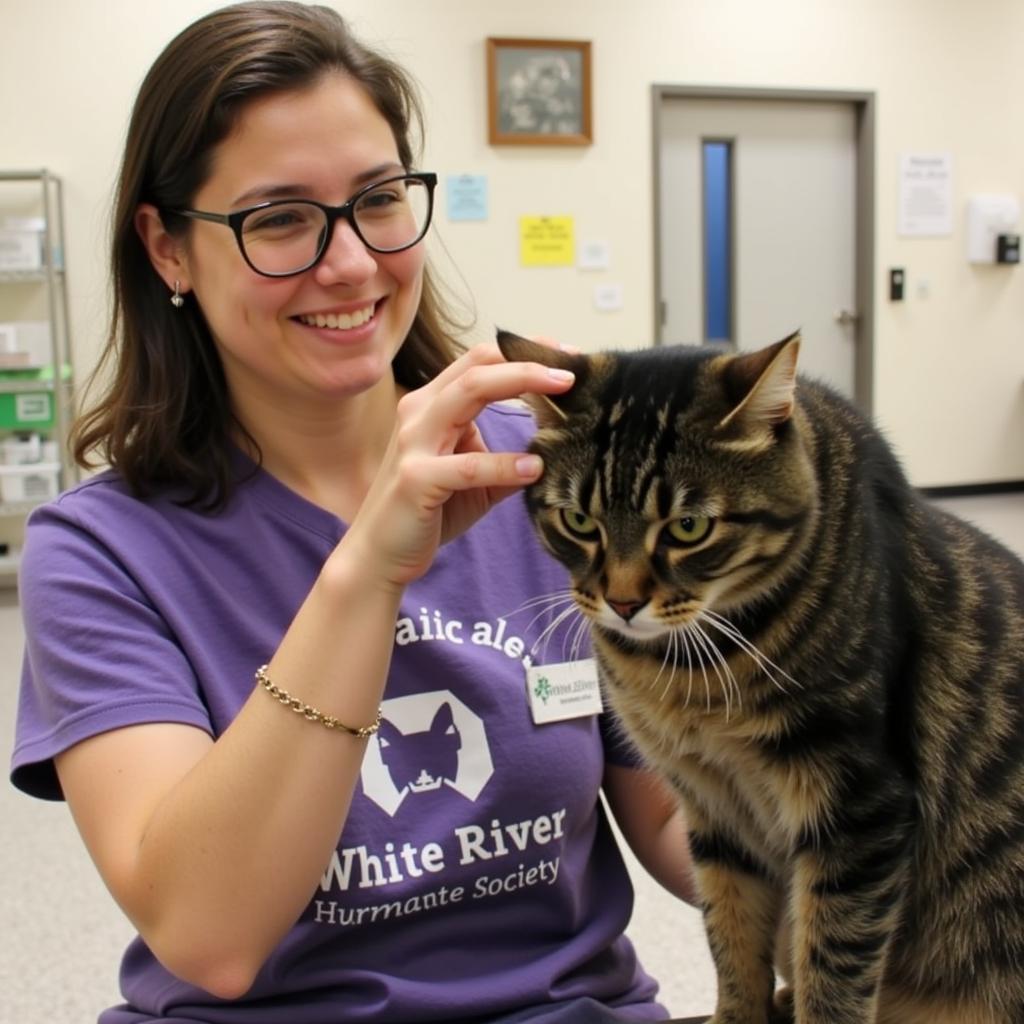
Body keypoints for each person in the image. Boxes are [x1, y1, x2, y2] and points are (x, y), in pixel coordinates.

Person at [10, 4, 697, 1022]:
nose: (350, 264)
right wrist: (369, 570)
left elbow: (688, 828)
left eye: (378, 200)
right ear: (166, 250)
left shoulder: (544, 476)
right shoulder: (102, 553)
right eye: (278, 218)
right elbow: (211, 936)